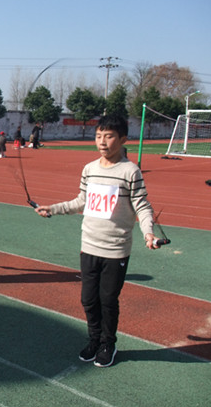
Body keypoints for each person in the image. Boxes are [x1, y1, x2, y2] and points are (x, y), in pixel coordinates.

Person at [34, 114, 162, 368]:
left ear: (123, 139)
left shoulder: (130, 171)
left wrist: (148, 233)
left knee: (108, 300)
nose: (102, 141)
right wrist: (54, 208)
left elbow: (142, 205)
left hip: (116, 249)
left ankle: (108, 344)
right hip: (89, 246)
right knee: (88, 300)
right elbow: (81, 201)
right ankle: (94, 340)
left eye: (109, 136)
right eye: (98, 136)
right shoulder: (89, 169)